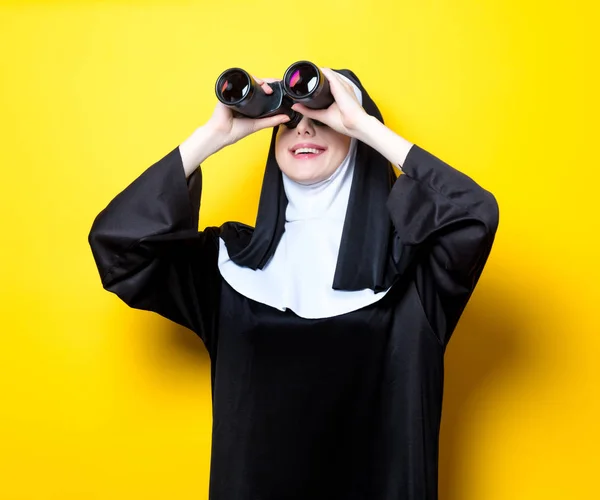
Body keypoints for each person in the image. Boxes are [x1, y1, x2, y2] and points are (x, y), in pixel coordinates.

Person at [88, 67, 499, 500]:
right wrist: (212, 135)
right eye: (289, 120)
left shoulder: (413, 268)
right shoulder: (229, 265)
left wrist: (367, 127)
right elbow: (119, 243)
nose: (303, 126)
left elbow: (475, 214)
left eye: (323, 116)